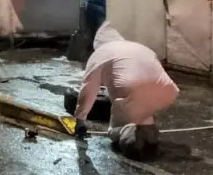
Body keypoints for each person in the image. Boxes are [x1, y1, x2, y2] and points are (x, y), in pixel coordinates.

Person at [75, 22, 180, 159]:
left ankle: (129, 137)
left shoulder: (100, 53)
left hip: (133, 93)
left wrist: (80, 120)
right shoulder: (140, 48)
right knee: (140, 107)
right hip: (168, 91)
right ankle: (149, 135)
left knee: (115, 130)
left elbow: (88, 90)